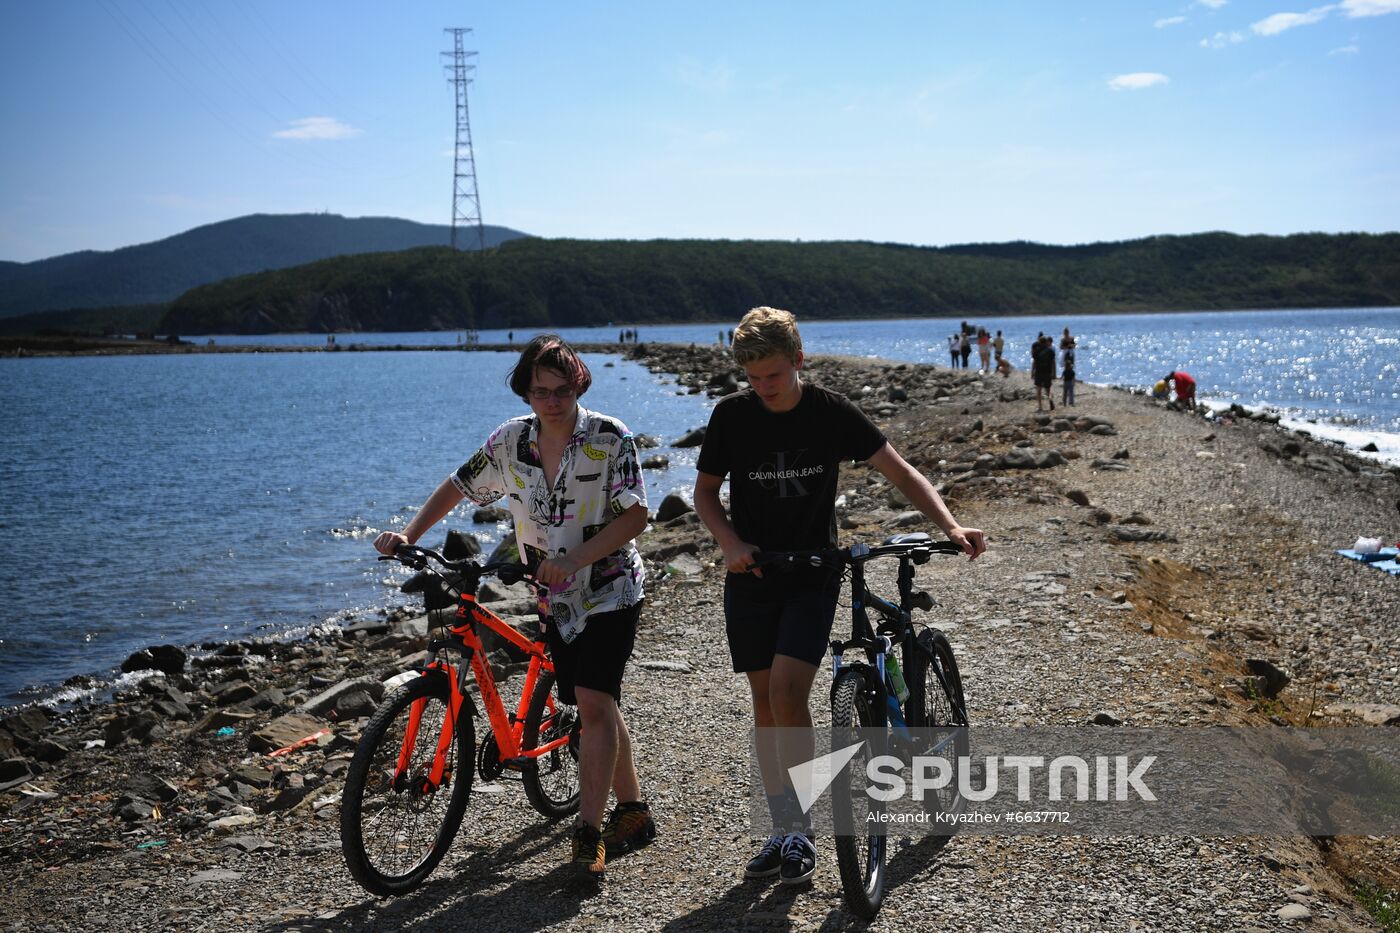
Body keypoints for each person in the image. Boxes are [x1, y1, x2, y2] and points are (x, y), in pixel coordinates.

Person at [692, 306, 986, 887]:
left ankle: (800, 832)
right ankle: (783, 827)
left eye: (772, 375)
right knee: (764, 706)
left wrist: (950, 526)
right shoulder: (731, 417)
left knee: (786, 691)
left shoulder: (830, 413)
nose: (763, 387)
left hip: (813, 573)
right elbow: (704, 496)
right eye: (752, 378)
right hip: (750, 576)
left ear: (799, 360)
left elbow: (899, 472)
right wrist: (728, 541)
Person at [373, 335, 655, 879]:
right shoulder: (510, 442)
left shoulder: (608, 435)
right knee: (594, 706)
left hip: (611, 587)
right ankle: (634, 810)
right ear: (526, 392)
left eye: (563, 390)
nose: (553, 401)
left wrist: (575, 559)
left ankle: (588, 834)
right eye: (541, 391)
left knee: (595, 701)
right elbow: (458, 485)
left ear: (580, 385)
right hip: (550, 594)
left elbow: (635, 516)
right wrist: (408, 535)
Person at [1032, 335, 1055, 411]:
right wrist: (1053, 373)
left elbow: (1034, 362)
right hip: (1047, 371)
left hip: (1039, 371)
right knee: (1048, 389)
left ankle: (1040, 407)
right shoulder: (1050, 351)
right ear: (1046, 342)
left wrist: (1032, 371)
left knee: (1039, 389)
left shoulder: (1037, 351)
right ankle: (1050, 399)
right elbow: (1052, 363)